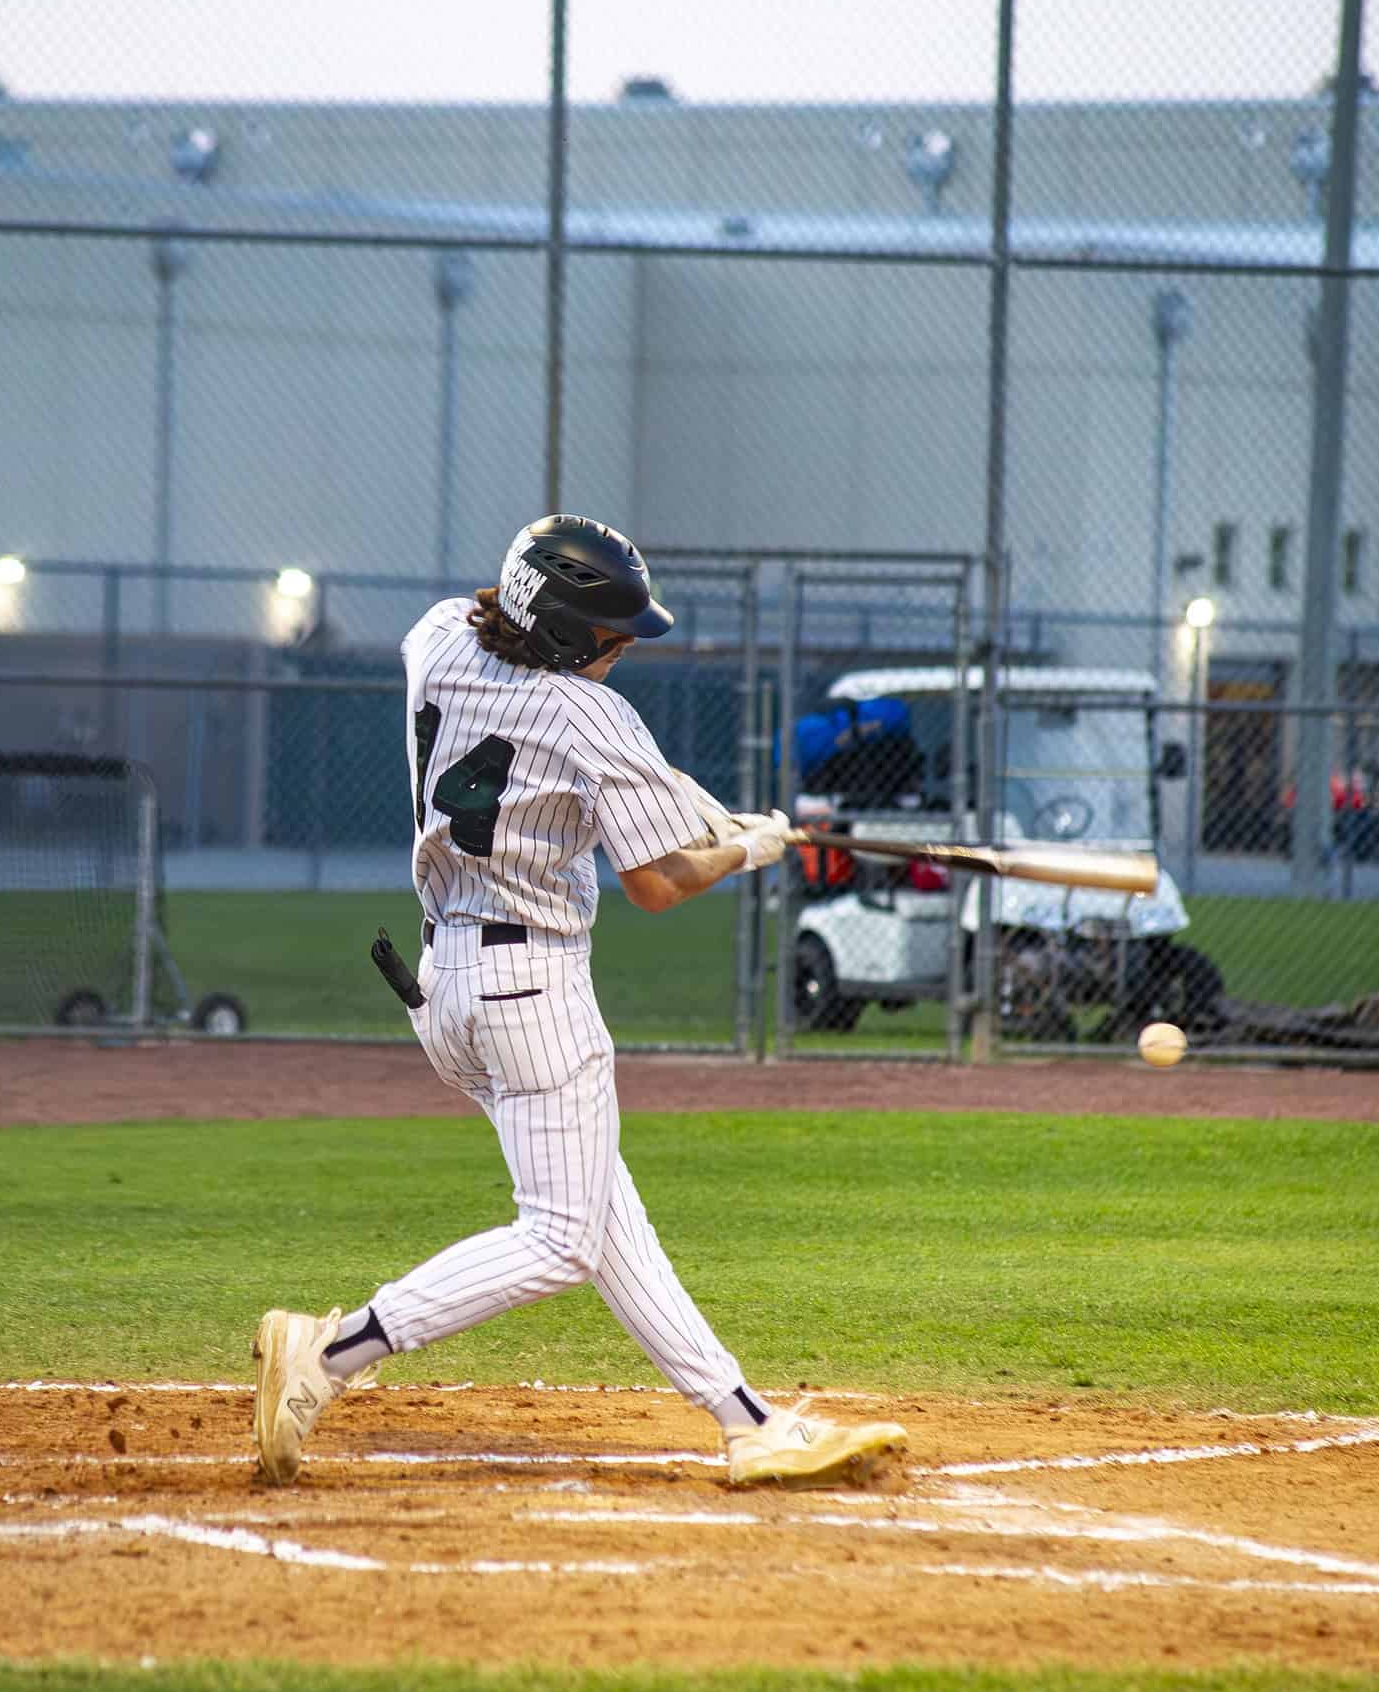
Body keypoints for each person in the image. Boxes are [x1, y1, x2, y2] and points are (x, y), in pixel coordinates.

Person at [250, 515, 907, 1489]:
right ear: (564, 635)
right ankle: (334, 1352)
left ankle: (745, 1421)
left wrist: (664, 793)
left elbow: (534, 736)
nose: (620, 653)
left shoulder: (436, 637)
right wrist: (746, 847)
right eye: (609, 637)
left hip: (445, 991)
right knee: (562, 1238)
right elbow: (658, 883)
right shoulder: (593, 721)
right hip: (532, 994)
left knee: (603, 1214)